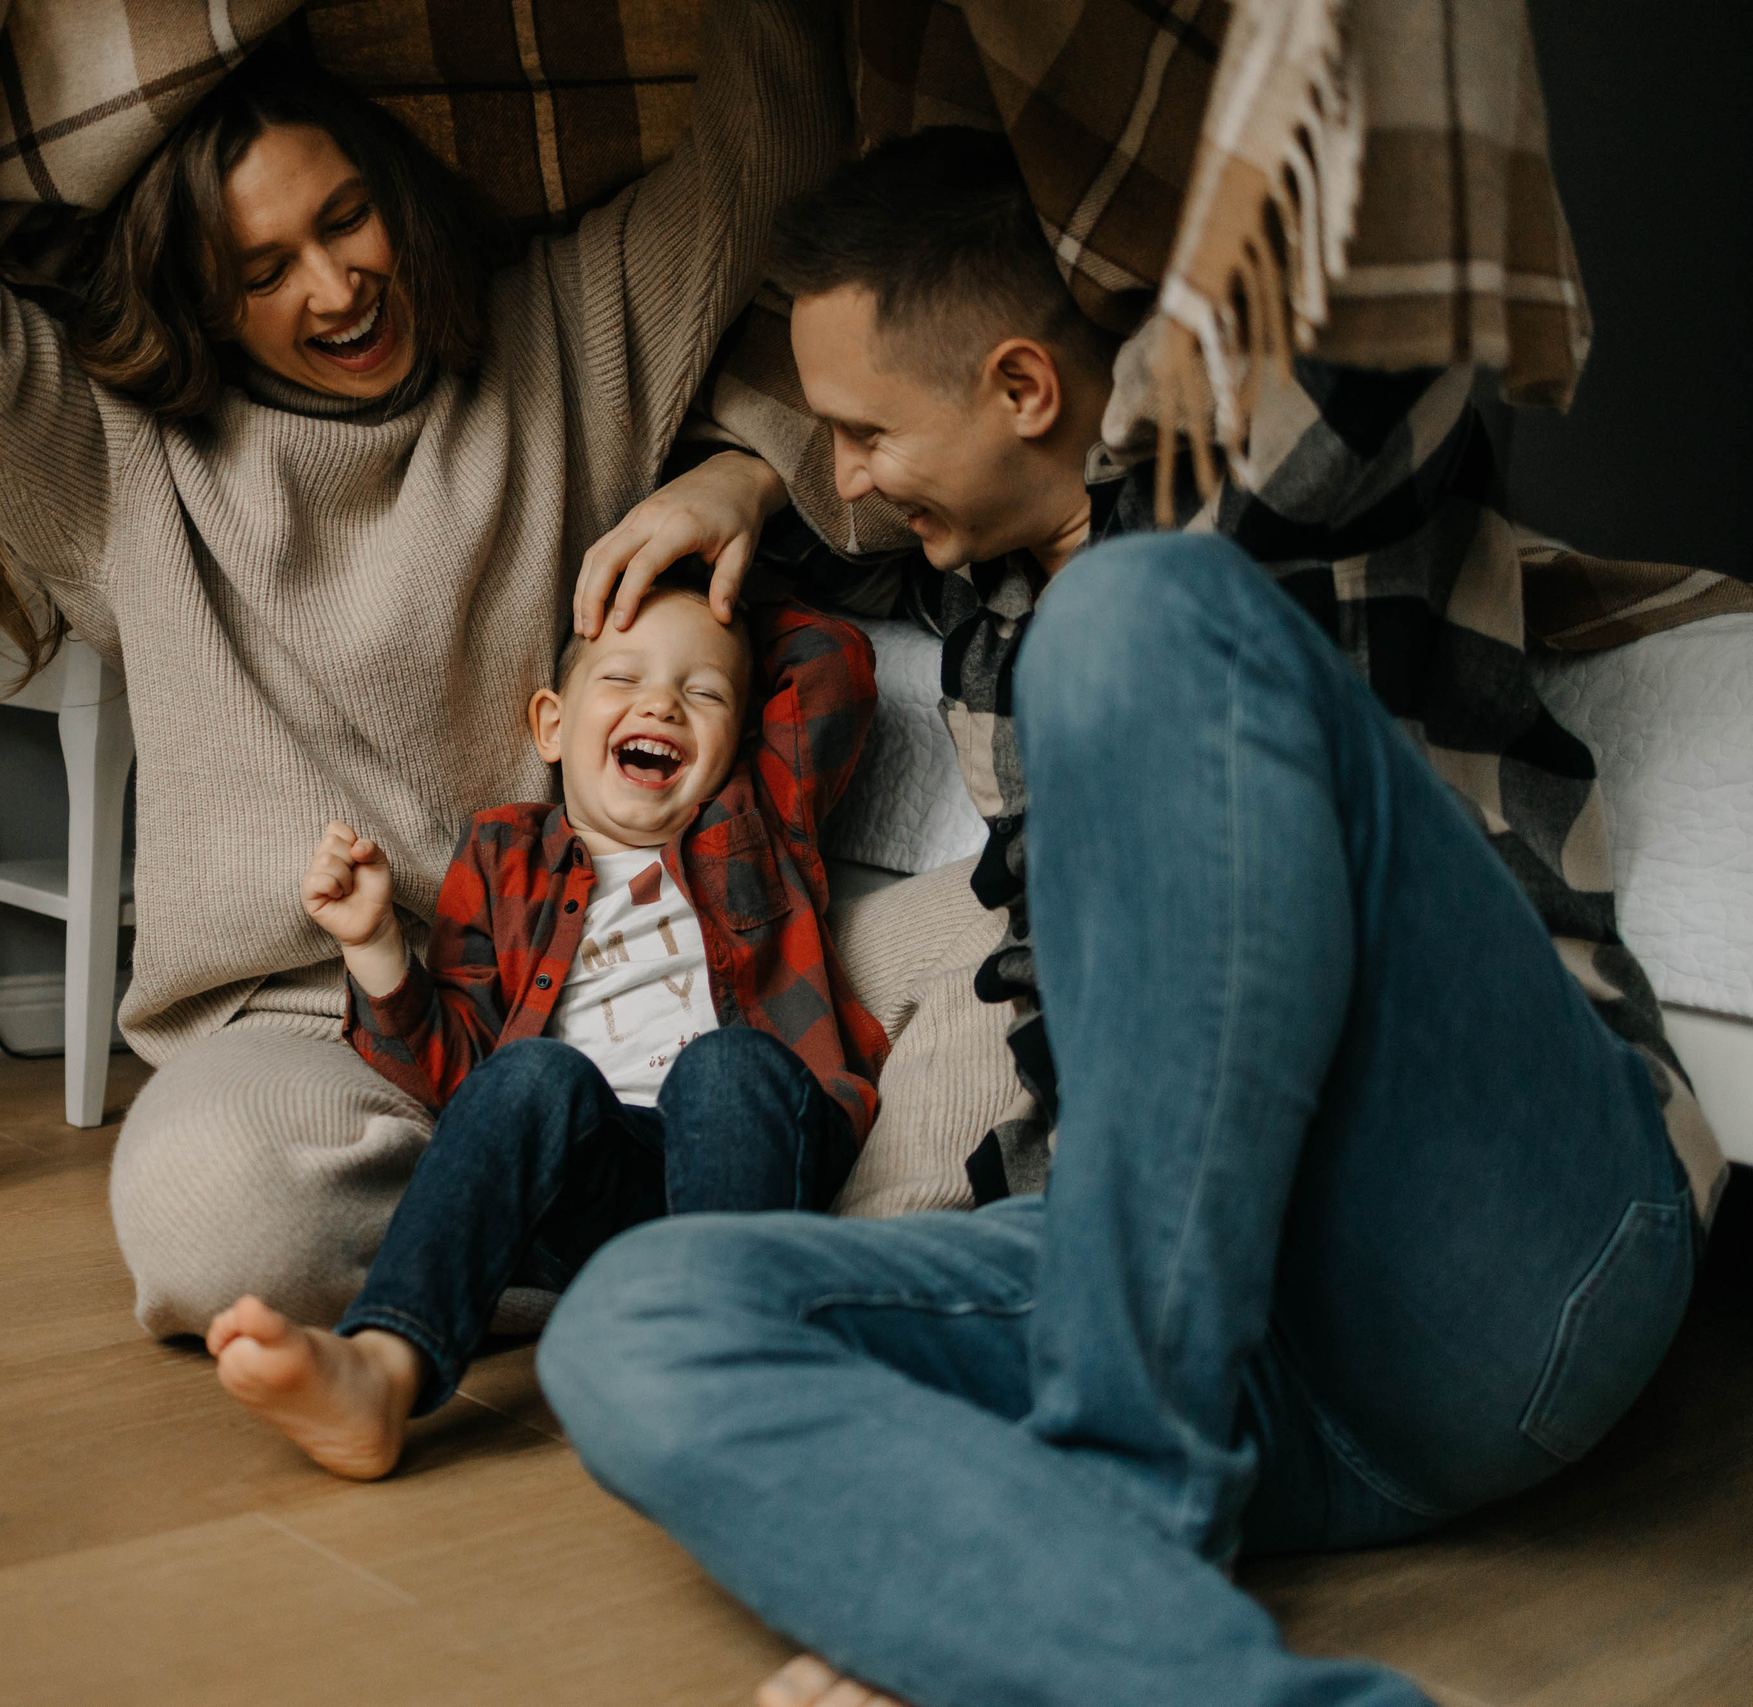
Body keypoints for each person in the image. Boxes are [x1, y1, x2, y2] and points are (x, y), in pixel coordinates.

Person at [536, 130, 1726, 1707]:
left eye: (862, 434)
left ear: (1028, 389)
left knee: (1129, 617)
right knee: (634, 1323)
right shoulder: (979, 586)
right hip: (1212, 1341)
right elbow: (830, 508)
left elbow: (1387, 246)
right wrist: (741, 468)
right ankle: (1115, 1623)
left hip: (1485, 1258)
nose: (850, 479)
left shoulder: (1306, 489)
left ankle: (1111, 1501)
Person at [0, 0, 847, 1335]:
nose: (332, 286)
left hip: (563, 994)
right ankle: (654, 1247)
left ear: (401, 197)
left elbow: (768, 157)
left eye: (345, 217)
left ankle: (544, 1240)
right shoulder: (120, 462)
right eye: (260, 271)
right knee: (213, 1220)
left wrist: (749, 467)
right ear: (202, 299)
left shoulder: (566, 331)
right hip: (305, 1023)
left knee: (910, 1040)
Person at [205, 584, 889, 1478]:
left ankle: (715, 1364)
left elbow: (834, 658)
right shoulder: (501, 855)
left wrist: (724, 542)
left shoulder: (758, 815)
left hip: (747, 1151)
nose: (661, 703)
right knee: (530, 1072)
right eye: (625, 677)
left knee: (721, 1067)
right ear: (552, 726)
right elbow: (463, 1077)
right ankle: (382, 1366)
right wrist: (373, 945)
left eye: (706, 692)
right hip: (597, 1184)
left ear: (743, 729)